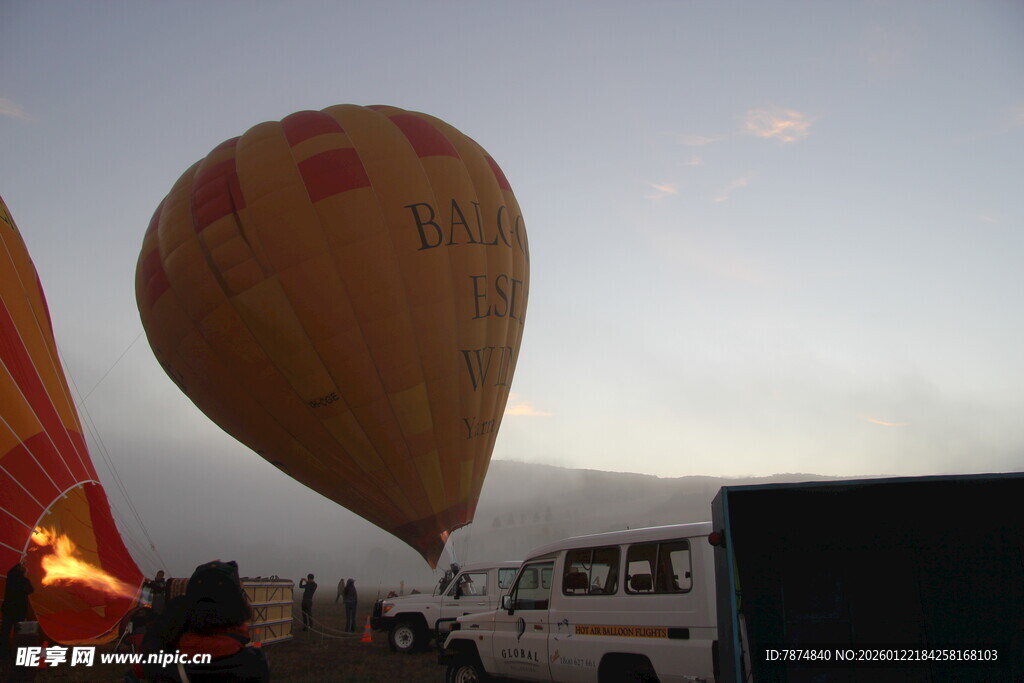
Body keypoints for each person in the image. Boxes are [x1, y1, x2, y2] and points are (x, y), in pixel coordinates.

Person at [131, 559, 268, 681]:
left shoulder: (162, 669)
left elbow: (141, 665)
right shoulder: (255, 666)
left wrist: (164, 626)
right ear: (238, 608)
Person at [1, 561, 34, 658]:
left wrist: (19, 563)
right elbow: (31, 590)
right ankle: (15, 653)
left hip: (8, 610)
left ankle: (2, 652)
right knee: (17, 634)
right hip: (18, 612)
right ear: (23, 573)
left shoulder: (11, 578)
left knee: (4, 632)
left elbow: (10, 572)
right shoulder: (25, 581)